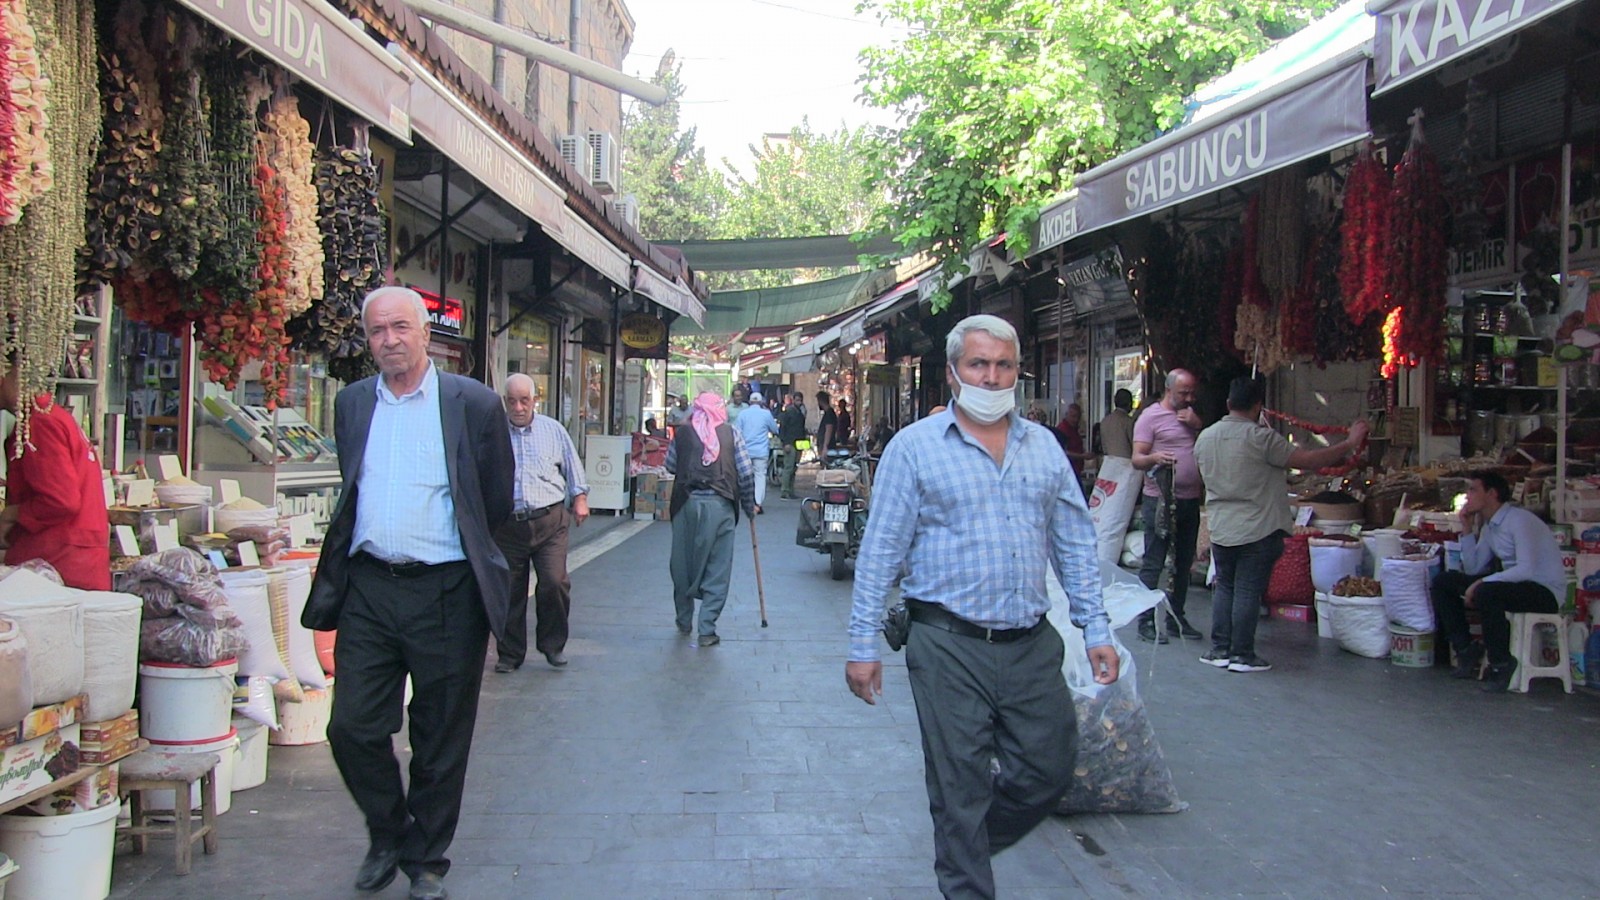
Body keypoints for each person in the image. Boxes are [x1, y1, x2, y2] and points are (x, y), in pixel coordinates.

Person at [845, 315, 1118, 900]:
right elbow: (880, 553)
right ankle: (964, 869)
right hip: (946, 645)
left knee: (1048, 770)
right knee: (958, 785)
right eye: (978, 364)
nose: (991, 378)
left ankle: (962, 842)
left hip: (1029, 644)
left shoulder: (1043, 447)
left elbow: (1073, 542)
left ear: (1018, 372)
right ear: (952, 373)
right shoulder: (914, 449)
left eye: (1003, 366)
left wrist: (1096, 627)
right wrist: (862, 644)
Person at [301, 286, 514, 900]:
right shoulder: (351, 404)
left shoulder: (472, 403)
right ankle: (389, 829)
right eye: (376, 330)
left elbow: (495, 499)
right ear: (366, 339)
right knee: (351, 728)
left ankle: (426, 862)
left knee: (440, 737)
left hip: (447, 590)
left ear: (426, 333)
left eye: (400, 327)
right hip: (370, 586)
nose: (389, 340)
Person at [1194, 376, 1367, 674]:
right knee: (1248, 589)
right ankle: (1242, 654)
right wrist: (1350, 443)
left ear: (1228, 404)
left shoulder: (1206, 437)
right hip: (1257, 526)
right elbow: (1309, 459)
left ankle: (1219, 649)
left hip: (1222, 525)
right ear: (1258, 406)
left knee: (1226, 586)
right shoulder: (1261, 438)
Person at [492, 372, 590, 673]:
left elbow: (573, 466)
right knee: (509, 590)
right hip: (508, 524)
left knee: (554, 582)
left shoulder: (553, 430)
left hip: (549, 521)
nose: (519, 408)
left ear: (535, 400)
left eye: (524, 400)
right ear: (505, 402)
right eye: (512, 401)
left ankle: (552, 645)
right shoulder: (494, 432)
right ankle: (510, 654)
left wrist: (579, 498)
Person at [1432, 470, 1566, 691]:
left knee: (1487, 592)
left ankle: (1501, 663)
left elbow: (1525, 569)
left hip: (1544, 590)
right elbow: (1475, 566)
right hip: (1513, 584)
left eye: (1473, 489)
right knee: (1444, 582)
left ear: (1492, 493)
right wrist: (1466, 529)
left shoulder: (1518, 520)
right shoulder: (1490, 526)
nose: (1468, 496)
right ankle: (1465, 650)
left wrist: (1483, 583)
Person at [0, 361, 110, 590]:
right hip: (69, 558)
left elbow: (60, 501)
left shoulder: (40, 421)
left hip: (59, 563)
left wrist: (12, 514)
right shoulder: (51, 416)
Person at [667, 392, 757, 646]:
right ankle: (706, 629)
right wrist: (749, 506)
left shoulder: (682, 434)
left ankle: (684, 619)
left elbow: (670, 465)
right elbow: (746, 473)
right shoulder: (731, 434)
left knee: (681, 564)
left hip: (686, 503)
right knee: (718, 566)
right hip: (721, 505)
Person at [1131, 370, 1204, 643]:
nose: (1188, 398)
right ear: (1168, 390)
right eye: (1183, 393)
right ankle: (1145, 621)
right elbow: (1136, 459)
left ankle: (1176, 617)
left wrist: (1197, 423)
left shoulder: (1190, 415)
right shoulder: (1150, 417)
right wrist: (1155, 457)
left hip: (1189, 498)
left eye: (1191, 393)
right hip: (1160, 499)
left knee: (1183, 562)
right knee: (1154, 561)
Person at [734, 391, 778, 513]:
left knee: (745, 476)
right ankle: (757, 503)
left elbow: (736, 432)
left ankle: (746, 500)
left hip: (745, 451)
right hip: (761, 451)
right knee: (760, 476)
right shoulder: (766, 414)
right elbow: (775, 429)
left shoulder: (743, 414)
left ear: (749, 402)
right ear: (761, 402)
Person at [777, 391, 808, 500]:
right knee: (789, 467)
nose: (799, 402)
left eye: (800, 400)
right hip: (790, 442)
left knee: (794, 467)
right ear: (793, 400)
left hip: (799, 442)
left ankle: (790, 490)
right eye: (797, 400)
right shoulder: (789, 412)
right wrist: (785, 443)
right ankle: (785, 491)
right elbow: (782, 428)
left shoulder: (801, 412)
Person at [1100, 389, 1135, 460]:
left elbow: (1104, 447)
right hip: (1127, 464)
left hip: (1109, 463)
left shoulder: (1105, 421)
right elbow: (1135, 445)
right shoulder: (1128, 422)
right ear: (1129, 403)